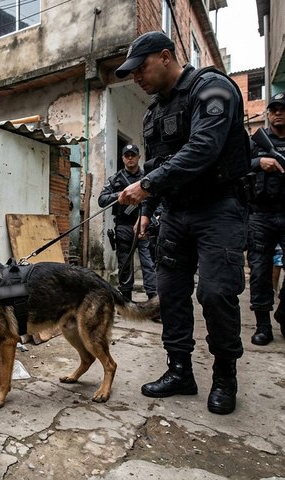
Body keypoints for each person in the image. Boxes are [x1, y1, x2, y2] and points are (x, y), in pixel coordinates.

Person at [116, 31, 250, 415]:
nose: (137, 78)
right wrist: (146, 210)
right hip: (175, 213)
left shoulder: (211, 88)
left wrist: (146, 186)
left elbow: (203, 148)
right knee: (170, 293)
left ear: (165, 56)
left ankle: (224, 377)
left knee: (216, 292)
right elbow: (156, 166)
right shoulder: (153, 113)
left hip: (218, 209)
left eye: (141, 68)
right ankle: (179, 371)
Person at [247, 92, 285, 344]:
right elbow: (239, 165)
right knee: (260, 272)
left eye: (282, 109)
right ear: (268, 114)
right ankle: (263, 327)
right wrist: (259, 162)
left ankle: (283, 313)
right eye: (273, 110)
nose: (278, 113)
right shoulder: (258, 142)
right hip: (261, 214)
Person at [98, 144, 158, 302]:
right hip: (124, 226)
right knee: (124, 264)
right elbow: (102, 200)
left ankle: (153, 299)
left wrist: (154, 217)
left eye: (133, 155)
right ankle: (126, 300)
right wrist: (120, 195)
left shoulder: (147, 179)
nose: (130, 158)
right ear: (123, 158)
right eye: (127, 155)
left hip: (144, 226)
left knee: (149, 263)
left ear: (138, 157)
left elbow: (159, 199)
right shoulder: (115, 179)